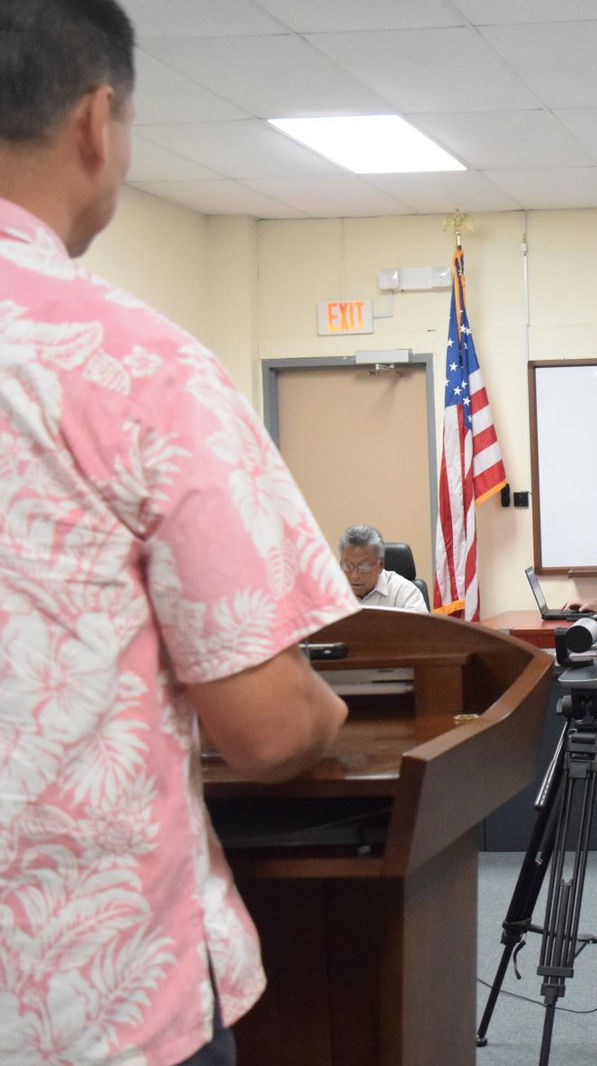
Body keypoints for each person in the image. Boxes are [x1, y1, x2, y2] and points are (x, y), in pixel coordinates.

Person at [0, 2, 357, 1062]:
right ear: (95, 123)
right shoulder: (134, 368)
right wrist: (322, 707)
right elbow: (270, 727)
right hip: (86, 1000)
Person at [338, 524, 429, 612]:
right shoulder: (331, 590)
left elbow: (422, 627)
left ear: (380, 565)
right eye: (347, 566)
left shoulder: (405, 592)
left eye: (363, 567)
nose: (354, 576)